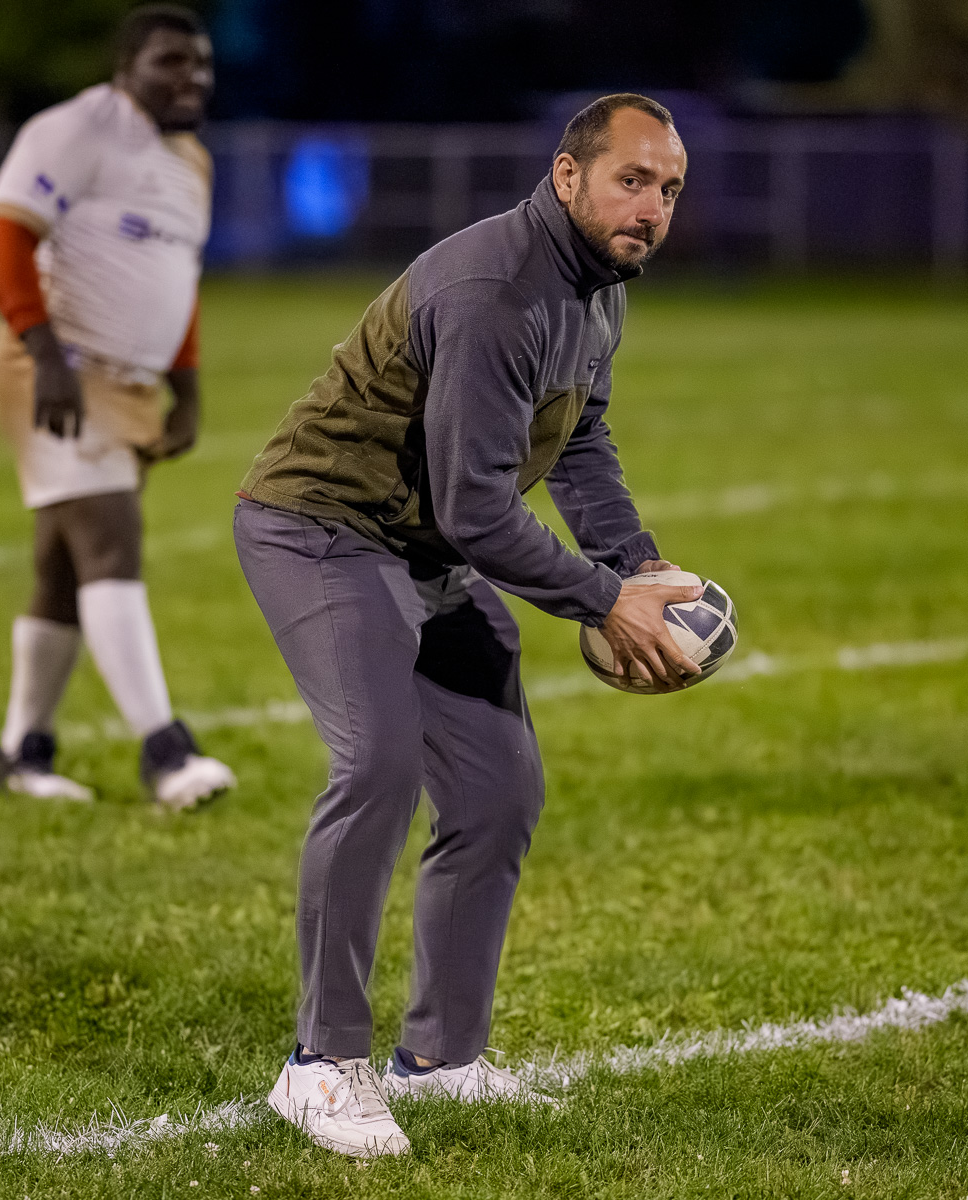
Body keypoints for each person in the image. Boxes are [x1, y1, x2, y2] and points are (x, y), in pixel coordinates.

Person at [235, 94, 702, 1156]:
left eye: (670, 188)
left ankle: (441, 1058)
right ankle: (319, 1065)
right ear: (569, 175)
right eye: (634, 179)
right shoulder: (500, 288)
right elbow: (476, 506)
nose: (653, 206)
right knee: (381, 765)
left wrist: (637, 564)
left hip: (422, 546)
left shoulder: (598, 290)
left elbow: (580, 443)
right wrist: (600, 599)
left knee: (497, 788)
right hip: (322, 527)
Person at [0, 4, 235, 810]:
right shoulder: (77, 127)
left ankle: (22, 752)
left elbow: (174, 282)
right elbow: (2, 239)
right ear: (126, 68)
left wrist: (185, 391)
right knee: (108, 537)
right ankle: (165, 752)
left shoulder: (191, 159)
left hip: (127, 385)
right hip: (57, 366)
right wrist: (44, 353)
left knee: (62, 568)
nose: (190, 76)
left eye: (199, 62)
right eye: (169, 61)